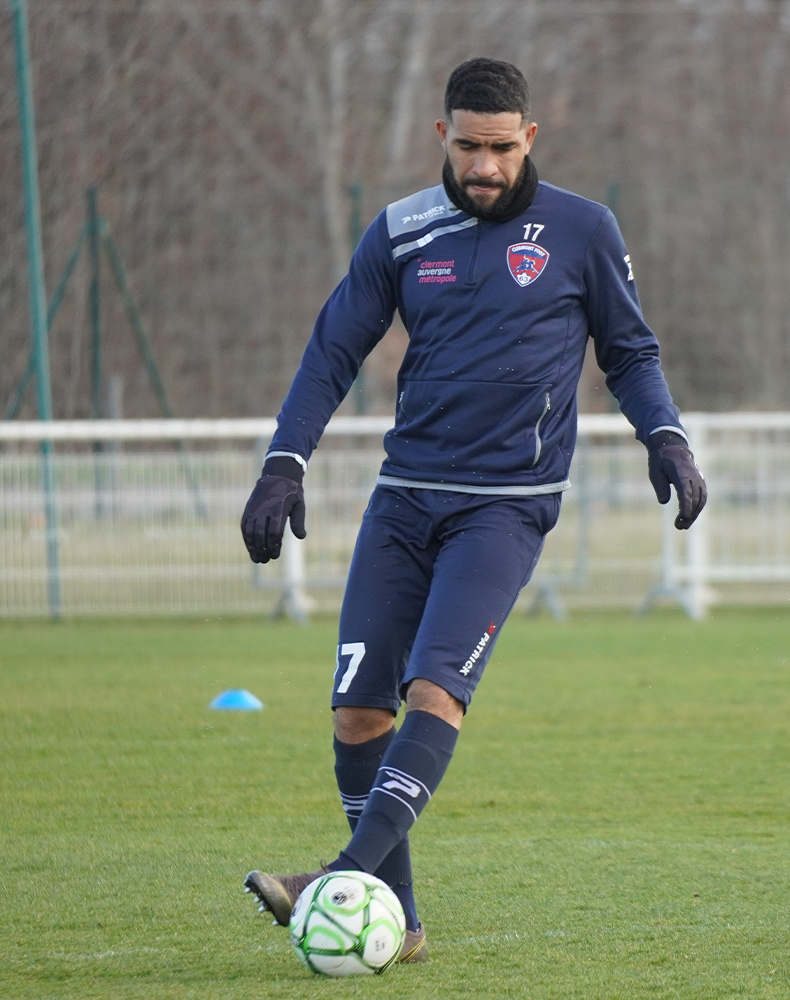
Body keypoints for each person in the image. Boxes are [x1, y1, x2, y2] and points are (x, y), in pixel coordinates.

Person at [239, 57, 705, 962]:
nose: (483, 166)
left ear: (530, 137)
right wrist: (284, 462)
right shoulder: (403, 231)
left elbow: (631, 353)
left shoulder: (581, 230)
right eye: (467, 147)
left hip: (506, 508)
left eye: (500, 147)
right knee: (356, 713)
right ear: (440, 137)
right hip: (405, 498)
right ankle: (400, 923)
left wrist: (668, 438)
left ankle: (334, 881)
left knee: (433, 689)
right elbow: (333, 347)